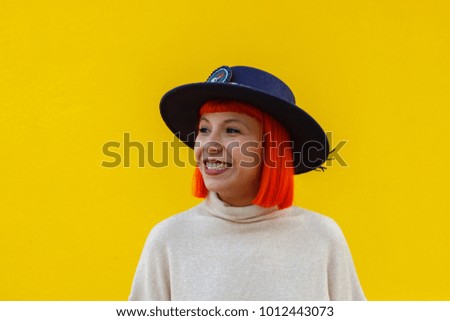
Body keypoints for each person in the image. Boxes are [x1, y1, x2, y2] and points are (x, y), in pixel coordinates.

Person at [129, 66, 365, 300]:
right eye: (204, 129)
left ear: (271, 148)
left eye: (232, 130)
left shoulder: (321, 238)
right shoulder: (169, 239)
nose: (210, 145)